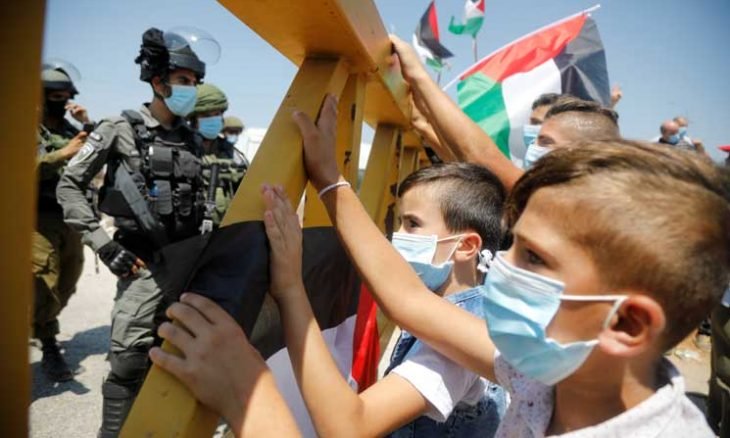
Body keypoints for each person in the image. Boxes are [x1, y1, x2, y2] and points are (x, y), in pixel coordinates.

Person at [151, 95, 727, 437]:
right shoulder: (560, 371)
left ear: (626, 323)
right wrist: (330, 182)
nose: (502, 266)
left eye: (532, 258)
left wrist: (246, 393)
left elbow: (349, 426)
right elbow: (408, 300)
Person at [266, 162, 509, 437]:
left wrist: (290, 289)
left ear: (466, 246)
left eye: (412, 224)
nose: (397, 237)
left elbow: (350, 428)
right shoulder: (481, 317)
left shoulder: (457, 346)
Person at [56, 27, 217, 437]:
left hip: (186, 266)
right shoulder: (119, 128)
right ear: (159, 82)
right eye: (183, 80)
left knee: (174, 355)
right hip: (141, 265)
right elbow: (69, 186)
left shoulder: (193, 139)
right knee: (128, 359)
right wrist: (103, 245)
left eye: (195, 82)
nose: (191, 89)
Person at [390, 35, 619, 190]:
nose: (533, 144)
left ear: (582, 154)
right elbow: (466, 161)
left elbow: (480, 157)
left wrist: (419, 75)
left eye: (545, 140)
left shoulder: (563, 197)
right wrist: (422, 121)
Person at [34, 60, 92, 381]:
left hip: (71, 217)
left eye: (67, 97)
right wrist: (61, 154)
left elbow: (98, 155)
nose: (63, 102)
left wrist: (88, 124)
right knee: (45, 282)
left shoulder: (71, 131)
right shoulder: (27, 128)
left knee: (69, 279)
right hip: (39, 218)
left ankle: (39, 322)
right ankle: (49, 345)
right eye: (56, 96)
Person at [189, 83, 248, 229]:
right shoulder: (185, 148)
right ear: (194, 119)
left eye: (217, 114)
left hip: (225, 230)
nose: (213, 119)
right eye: (206, 115)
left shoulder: (232, 153)